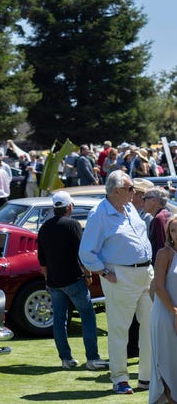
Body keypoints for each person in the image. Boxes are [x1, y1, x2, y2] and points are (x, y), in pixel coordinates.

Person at [79, 170, 153, 395]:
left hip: (144, 273)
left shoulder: (129, 207)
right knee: (120, 329)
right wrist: (103, 272)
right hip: (120, 276)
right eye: (131, 188)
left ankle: (147, 377)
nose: (135, 192)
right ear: (118, 190)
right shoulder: (99, 214)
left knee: (151, 327)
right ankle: (120, 379)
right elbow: (86, 252)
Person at [37, 191, 109, 371]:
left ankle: (66, 359)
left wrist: (48, 279)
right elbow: (82, 253)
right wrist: (88, 274)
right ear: (69, 207)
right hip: (73, 279)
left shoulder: (44, 227)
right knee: (88, 316)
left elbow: (42, 259)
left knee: (59, 320)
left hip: (54, 281)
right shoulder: (73, 224)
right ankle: (92, 358)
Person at [148, 216, 177, 404]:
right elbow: (158, 287)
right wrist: (174, 312)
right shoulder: (164, 254)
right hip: (166, 315)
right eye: (173, 230)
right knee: (166, 363)